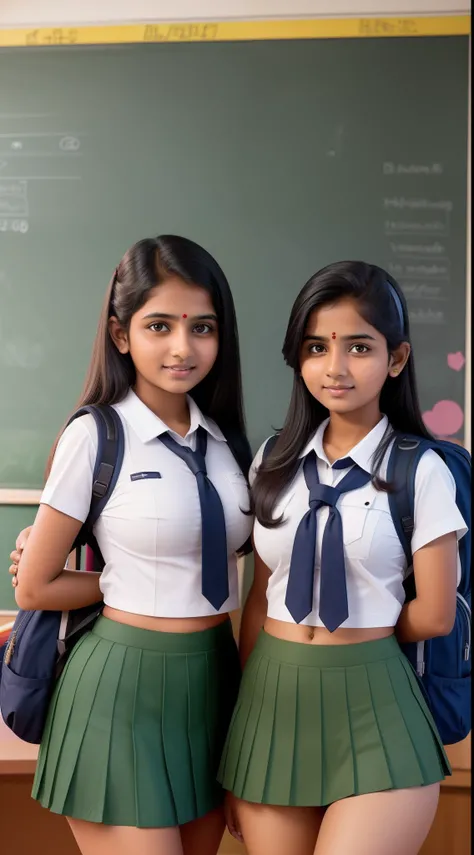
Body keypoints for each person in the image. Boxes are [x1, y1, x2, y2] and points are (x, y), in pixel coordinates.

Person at [8, 235, 253, 855]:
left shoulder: (226, 444)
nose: (182, 346)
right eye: (159, 325)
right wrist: (126, 577)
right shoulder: (96, 435)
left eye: (202, 327)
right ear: (122, 335)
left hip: (214, 684)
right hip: (119, 690)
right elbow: (35, 585)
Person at [218, 261, 468, 855]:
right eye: (316, 347)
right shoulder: (273, 462)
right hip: (271, 704)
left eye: (359, 346)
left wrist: (361, 638)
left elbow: (435, 615)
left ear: (396, 359)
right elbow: (260, 596)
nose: (335, 368)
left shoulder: (423, 468)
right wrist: (238, 730)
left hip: (377, 703)